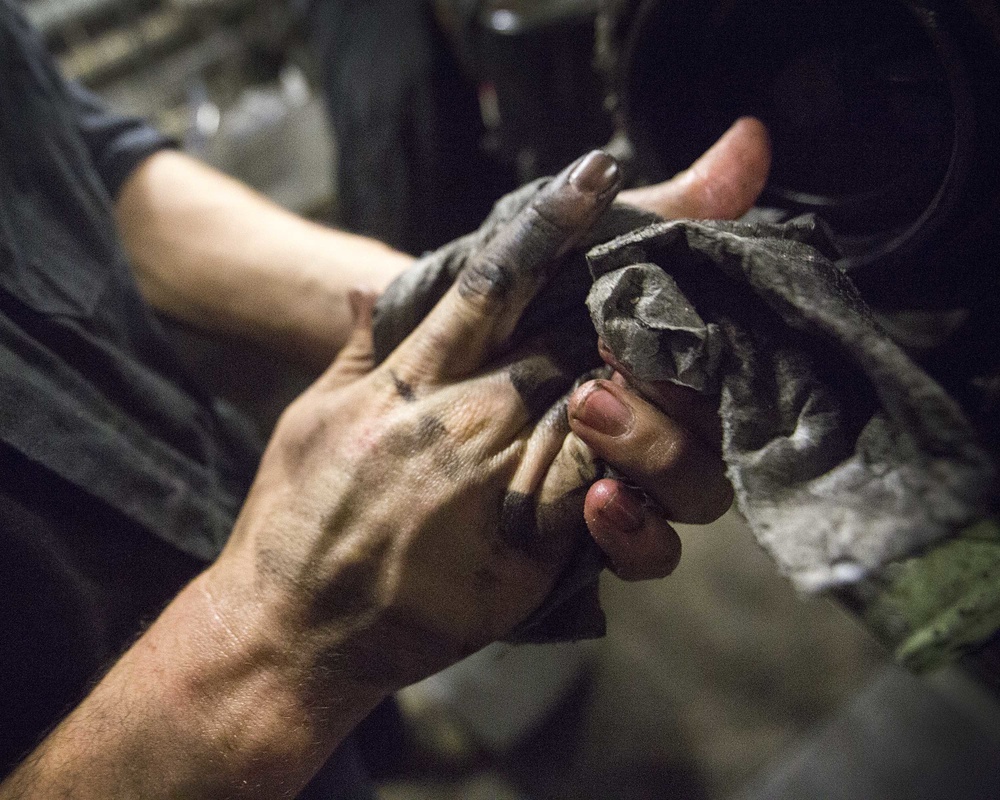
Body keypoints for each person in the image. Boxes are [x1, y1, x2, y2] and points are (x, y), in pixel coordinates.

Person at [0, 0, 771, 794]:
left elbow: (62, 164)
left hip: (209, 516)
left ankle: (384, 746)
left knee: (357, 744)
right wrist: (270, 644)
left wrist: (447, 304)